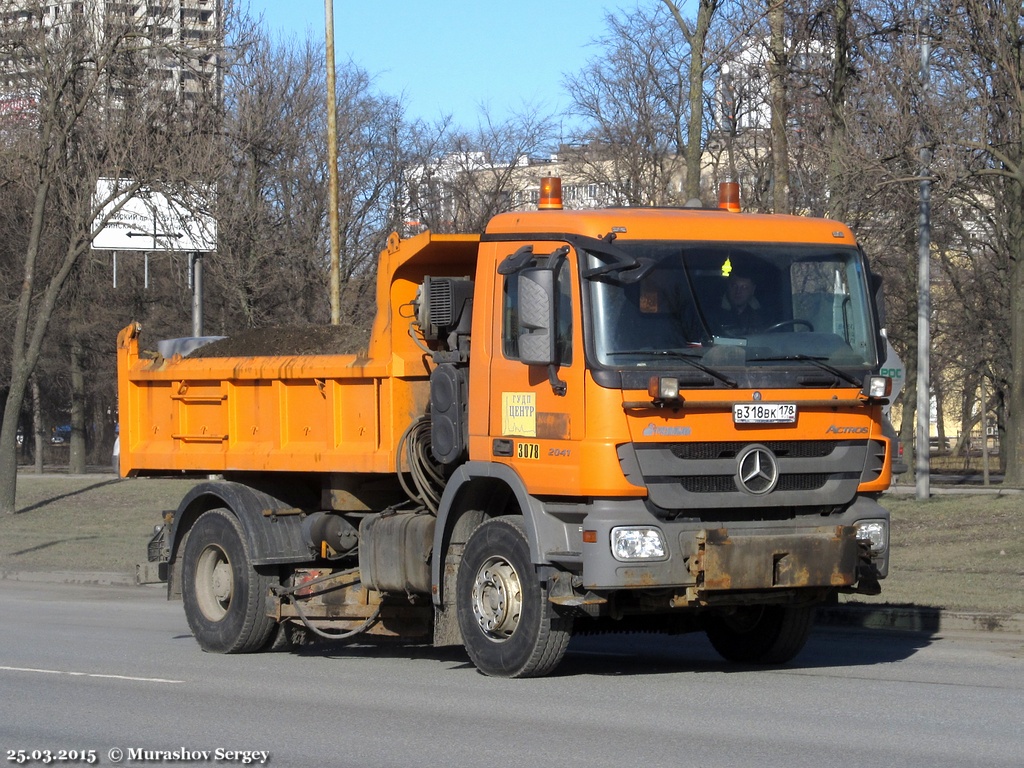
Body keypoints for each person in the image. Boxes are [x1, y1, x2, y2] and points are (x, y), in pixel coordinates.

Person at [715, 266, 766, 335]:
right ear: (728, 286)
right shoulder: (713, 315)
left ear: (752, 290)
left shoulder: (762, 315)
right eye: (734, 286)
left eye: (744, 287)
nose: (738, 291)